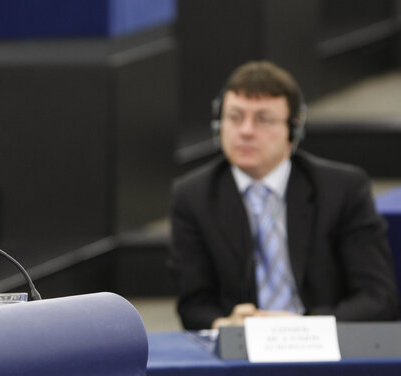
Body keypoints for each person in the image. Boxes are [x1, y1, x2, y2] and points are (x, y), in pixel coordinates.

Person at [169, 60, 399, 330]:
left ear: (293, 130)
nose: (245, 131)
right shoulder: (194, 196)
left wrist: (305, 326)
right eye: (234, 117)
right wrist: (224, 323)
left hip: (324, 347)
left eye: (262, 119)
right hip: (242, 352)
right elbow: (193, 305)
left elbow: (378, 298)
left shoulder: (342, 189)